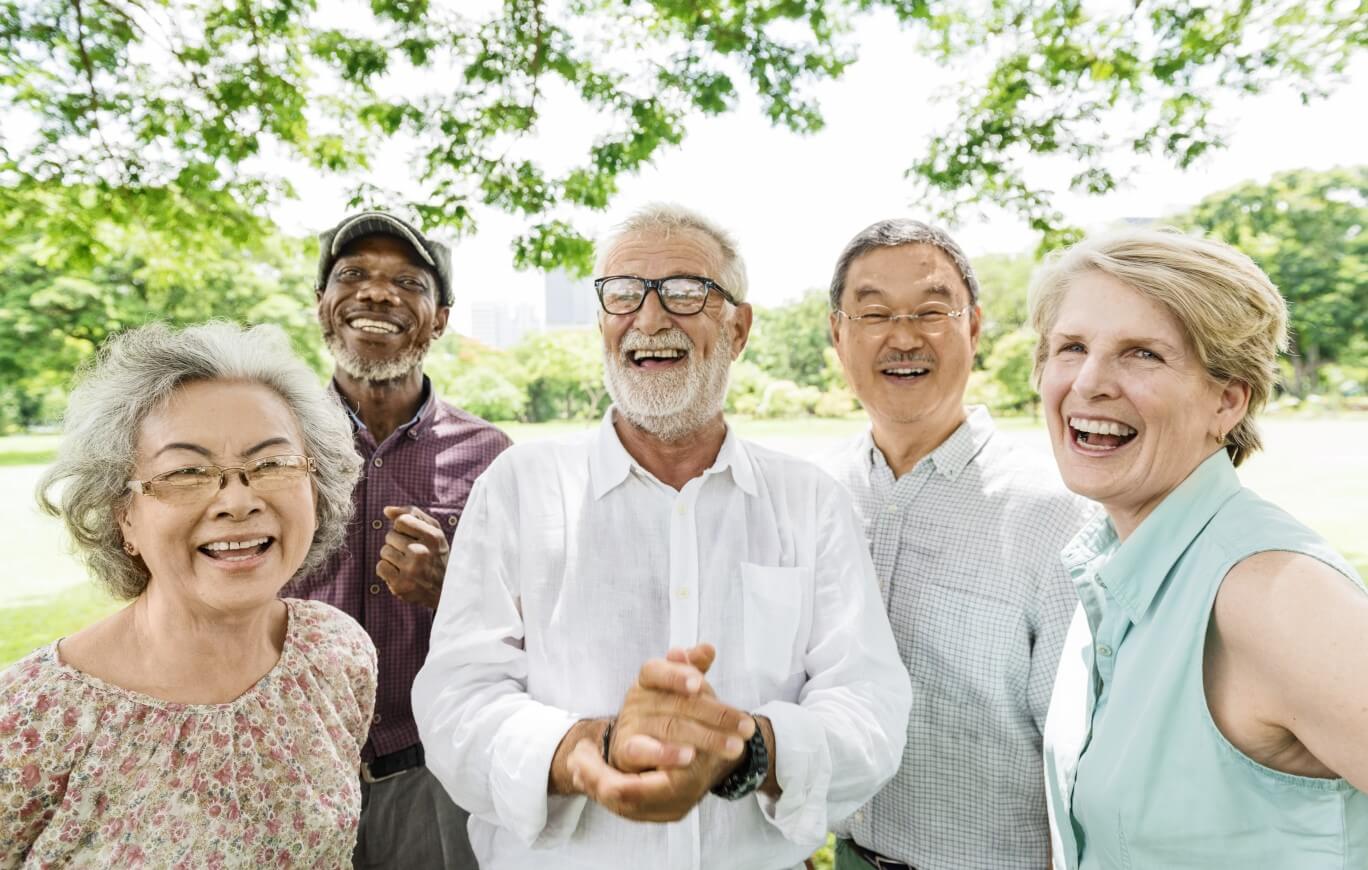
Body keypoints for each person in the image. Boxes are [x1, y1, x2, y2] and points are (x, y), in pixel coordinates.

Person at [412, 202, 911, 870]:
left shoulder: (809, 501)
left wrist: (745, 749)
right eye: (623, 294)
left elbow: (869, 705)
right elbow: (456, 702)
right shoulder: (520, 487)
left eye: (684, 291)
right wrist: (586, 751)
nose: (649, 319)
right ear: (602, 322)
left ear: (738, 328)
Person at [1032, 228, 1368, 869]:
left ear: (1228, 400)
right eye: (1071, 347)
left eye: (1143, 354)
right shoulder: (1111, 567)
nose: (1090, 382)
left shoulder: (1270, 592)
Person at [0, 322, 374, 867]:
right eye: (186, 472)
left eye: (272, 464)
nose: (238, 502)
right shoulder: (31, 718)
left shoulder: (335, 652)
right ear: (123, 515)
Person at [819, 218, 1096, 870]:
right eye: (874, 314)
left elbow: (1080, 756)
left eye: (931, 311)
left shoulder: (1053, 512)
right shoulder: (817, 496)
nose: (903, 336)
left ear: (973, 327)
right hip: (850, 854)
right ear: (837, 334)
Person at [282, 211, 511, 869]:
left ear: (440, 319)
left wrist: (451, 587)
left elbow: (532, 629)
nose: (377, 294)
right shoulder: (270, 441)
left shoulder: (491, 455)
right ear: (321, 303)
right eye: (353, 275)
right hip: (290, 769)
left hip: (433, 777)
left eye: (408, 283)